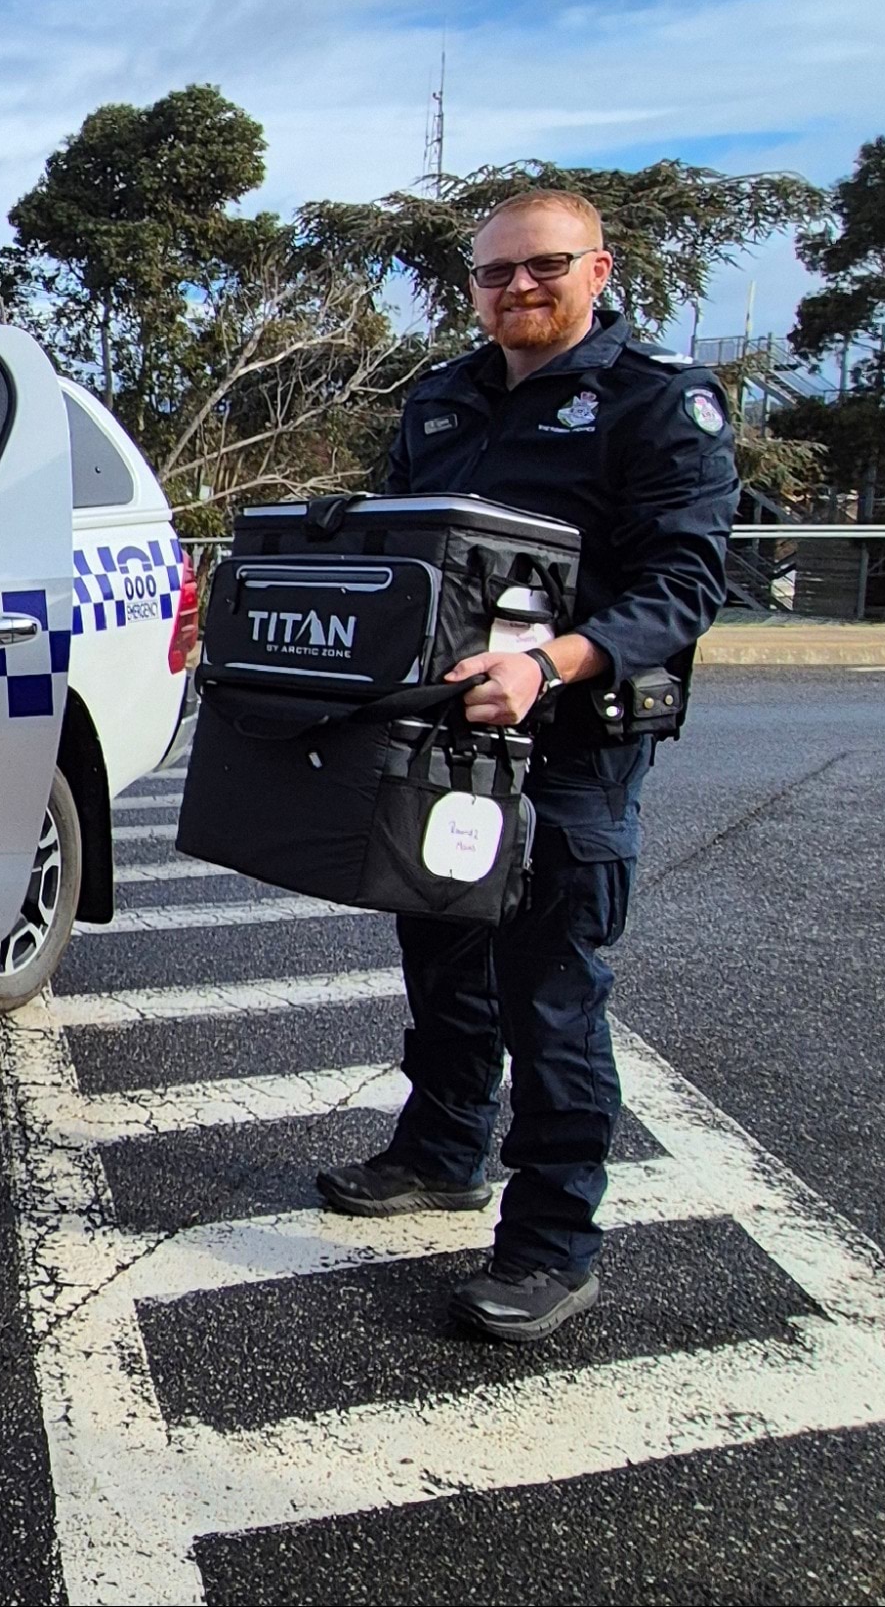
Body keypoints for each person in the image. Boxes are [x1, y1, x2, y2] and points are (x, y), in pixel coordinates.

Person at [314, 189, 738, 1343]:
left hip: (573, 742)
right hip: (454, 735)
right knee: (442, 942)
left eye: (543, 266)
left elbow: (686, 584)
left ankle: (553, 1242)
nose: (518, 290)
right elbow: (400, 550)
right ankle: (444, 1148)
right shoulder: (444, 398)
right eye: (495, 274)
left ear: (597, 268)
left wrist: (555, 664)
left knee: (552, 989)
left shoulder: (658, 402)